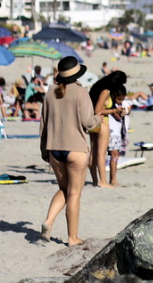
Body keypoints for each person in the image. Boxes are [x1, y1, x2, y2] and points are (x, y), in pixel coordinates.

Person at [40, 56, 102, 245]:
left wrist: (44, 150)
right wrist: (99, 118)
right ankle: (72, 237)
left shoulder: (50, 92)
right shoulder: (81, 92)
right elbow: (88, 122)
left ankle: (49, 221)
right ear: (77, 74)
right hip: (75, 148)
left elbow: (43, 124)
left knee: (63, 189)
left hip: (54, 147)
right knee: (74, 194)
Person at [89, 70, 128, 188]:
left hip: (92, 122)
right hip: (102, 122)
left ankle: (96, 180)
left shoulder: (97, 87)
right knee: (101, 153)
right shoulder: (105, 91)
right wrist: (114, 111)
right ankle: (103, 181)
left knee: (94, 152)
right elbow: (98, 110)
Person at [106, 85, 130, 187]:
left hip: (119, 133)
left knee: (115, 156)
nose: (120, 101)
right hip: (112, 133)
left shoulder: (124, 104)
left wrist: (123, 110)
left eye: (122, 99)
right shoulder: (110, 104)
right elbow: (116, 115)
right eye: (118, 99)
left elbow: (127, 109)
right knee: (114, 156)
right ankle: (113, 179)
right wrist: (116, 111)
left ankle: (113, 178)